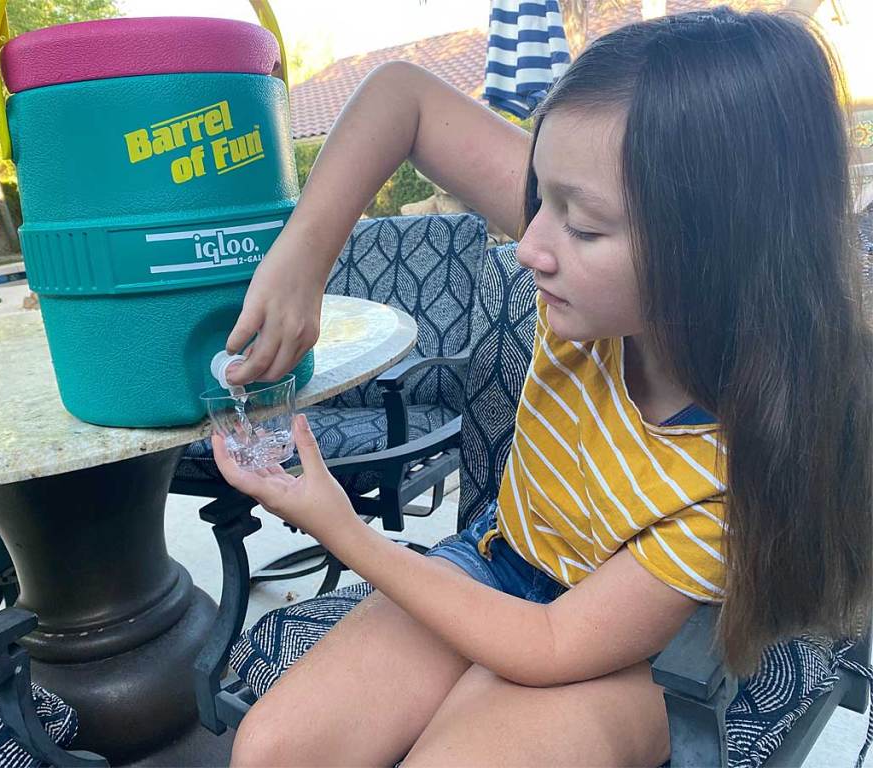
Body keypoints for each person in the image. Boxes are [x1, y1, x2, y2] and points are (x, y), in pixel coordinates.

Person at [212, 8, 873, 766]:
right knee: (273, 750)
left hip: (637, 659)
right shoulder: (587, 260)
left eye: (582, 228)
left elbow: (553, 644)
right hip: (500, 560)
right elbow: (404, 99)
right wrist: (304, 259)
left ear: (719, 250)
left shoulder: (742, 460)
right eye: (538, 196)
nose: (528, 247)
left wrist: (343, 528)